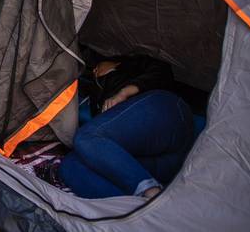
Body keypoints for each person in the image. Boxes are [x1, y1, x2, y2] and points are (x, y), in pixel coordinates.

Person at [57, 54, 195, 199]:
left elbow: (162, 72)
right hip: (154, 165)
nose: (94, 71)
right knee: (71, 165)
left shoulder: (132, 65)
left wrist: (123, 93)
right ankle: (135, 210)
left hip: (166, 117)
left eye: (97, 66)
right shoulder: (97, 100)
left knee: (86, 136)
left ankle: (152, 194)